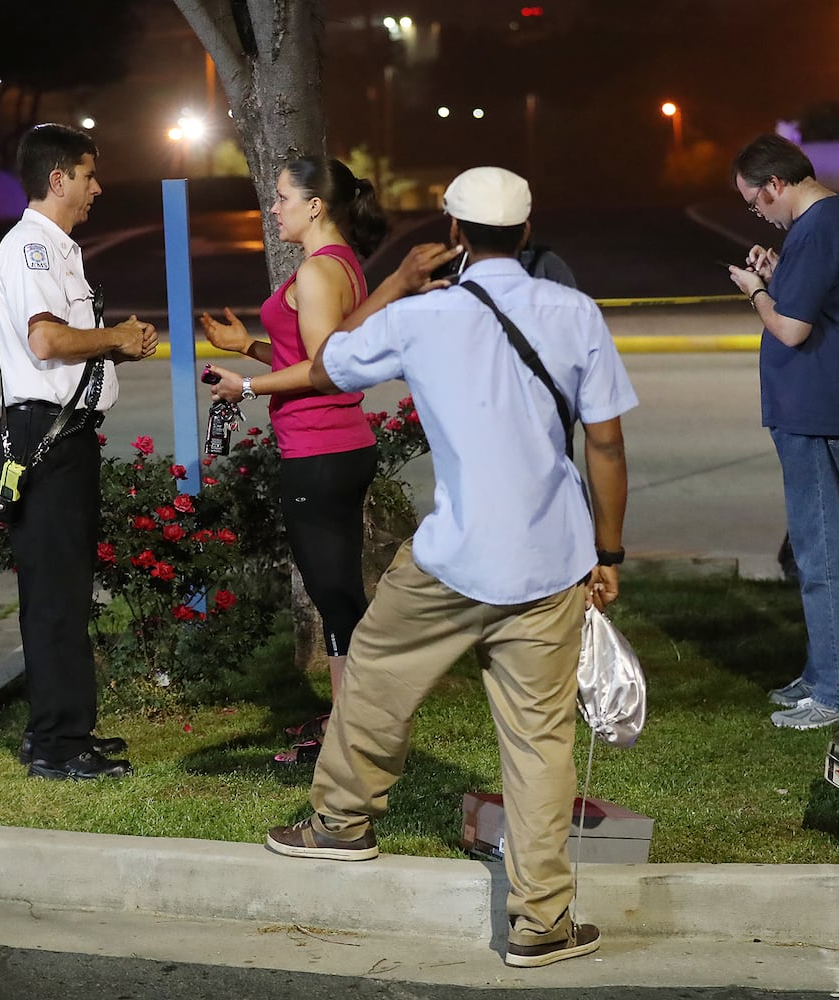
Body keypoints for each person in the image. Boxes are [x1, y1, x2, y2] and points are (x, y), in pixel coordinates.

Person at [262, 166, 636, 969]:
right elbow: (605, 444)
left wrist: (397, 282)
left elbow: (330, 364)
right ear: (526, 233)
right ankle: (540, 924)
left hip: (454, 558)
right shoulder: (573, 312)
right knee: (540, 743)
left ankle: (341, 823)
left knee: (374, 671)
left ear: (456, 234)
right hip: (553, 560)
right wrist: (607, 552)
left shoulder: (424, 317)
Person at [202, 157, 388, 764]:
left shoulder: (315, 272)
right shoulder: (341, 264)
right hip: (340, 445)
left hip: (320, 449)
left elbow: (321, 369)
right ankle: (348, 715)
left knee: (334, 595)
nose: (272, 208)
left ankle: (350, 736)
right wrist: (248, 347)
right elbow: (313, 351)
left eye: (282, 197)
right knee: (338, 590)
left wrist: (245, 387)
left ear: (315, 205)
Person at [0, 124, 158, 779]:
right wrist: (109, 334)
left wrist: (115, 345)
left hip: (63, 434)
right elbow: (47, 343)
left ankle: (67, 733)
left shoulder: (57, 248)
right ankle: (57, 747)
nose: (98, 187)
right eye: (88, 175)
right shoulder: (32, 248)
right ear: (58, 179)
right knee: (57, 597)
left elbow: (66, 342)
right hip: (47, 437)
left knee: (65, 590)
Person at [726, 135, 839, 730]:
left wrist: (756, 293)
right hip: (837, 408)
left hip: (822, 414)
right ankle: (827, 672)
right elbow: (819, 305)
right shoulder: (835, 222)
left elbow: (792, 329)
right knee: (833, 547)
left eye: (755, 203)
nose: (758, 214)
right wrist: (780, 276)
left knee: (825, 554)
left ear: (775, 184)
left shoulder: (822, 225)